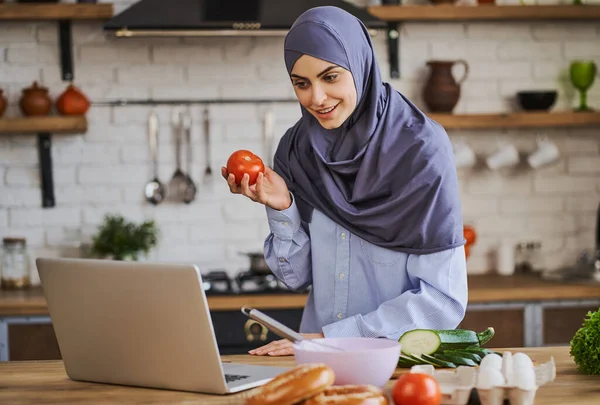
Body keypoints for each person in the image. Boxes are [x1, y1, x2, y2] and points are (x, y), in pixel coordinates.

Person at [222, 6, 468, 356]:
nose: (317, 99)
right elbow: (295, 278)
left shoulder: (421, 149)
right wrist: (284, 208)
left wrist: (341, 338)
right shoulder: (296, 149)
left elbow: (443, 302)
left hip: (396, 365)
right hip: (316, 360)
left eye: (331, 77)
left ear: (360, 65)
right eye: (301, 83)